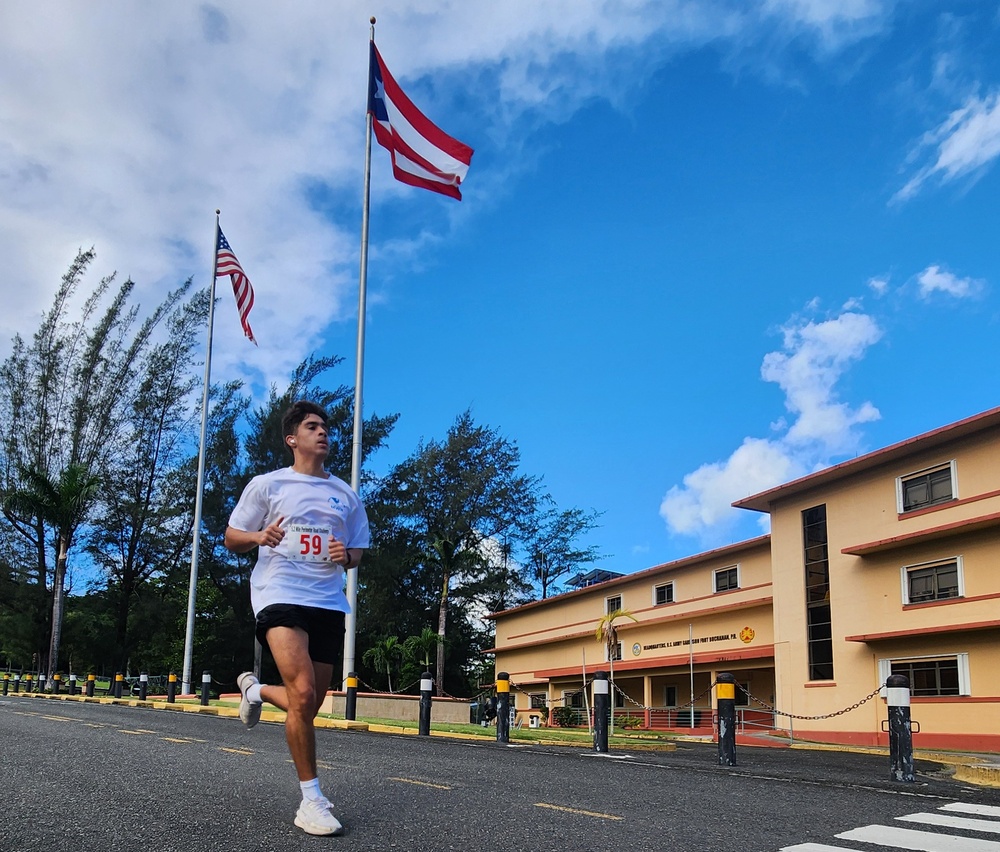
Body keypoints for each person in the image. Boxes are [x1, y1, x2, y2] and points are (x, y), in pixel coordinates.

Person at [224, 400, 369, 837]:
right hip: (280, 593)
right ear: (292, 438)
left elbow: (357, 551)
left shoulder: (345, 495)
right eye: (312, 426)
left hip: (327, 602)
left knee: (308, 705)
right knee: (303, 694)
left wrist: (346, 557)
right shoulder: (268, 485)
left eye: (324, 427)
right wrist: (259, 535)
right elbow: (232, 537)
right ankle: (312, 800)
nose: (322, 432)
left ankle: (255, 689)